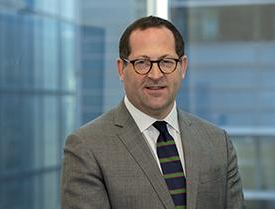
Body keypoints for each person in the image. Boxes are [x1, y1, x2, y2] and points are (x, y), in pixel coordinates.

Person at [60, 16, 245, 209]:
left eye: (166, 62)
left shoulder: (217, 142)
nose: (155, 75)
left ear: (182, 67)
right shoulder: (86, 147)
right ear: (121, 69)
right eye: (142, 62)